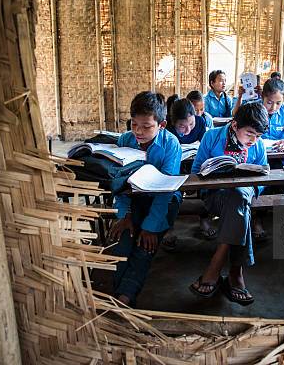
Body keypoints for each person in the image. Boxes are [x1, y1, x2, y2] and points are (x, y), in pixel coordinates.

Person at [106, 91, 183, 306]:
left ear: (162, 124)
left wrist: (150, 226)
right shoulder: (125, 140)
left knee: (145, 246)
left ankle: (123, 297)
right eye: (134, 124)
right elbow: (120, 186)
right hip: (133, 200)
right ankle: (120, 295)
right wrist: (125, 215)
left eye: (146, 126)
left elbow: (166, 188)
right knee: (123, 242)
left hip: (163, 201)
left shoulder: (171, 145)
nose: (138, 131)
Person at [189, 102, 269, 306]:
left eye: (258, 136)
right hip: (215, 196)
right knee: (240, 206)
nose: (254, 140)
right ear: (234, 125)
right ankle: (236, 274)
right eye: (249, 134)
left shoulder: (258, 145)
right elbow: (197, 170)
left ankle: (215, 266)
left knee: (240, 199)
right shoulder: (212, 136)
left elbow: (261, 181)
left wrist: (251, 184)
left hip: (242, 197)